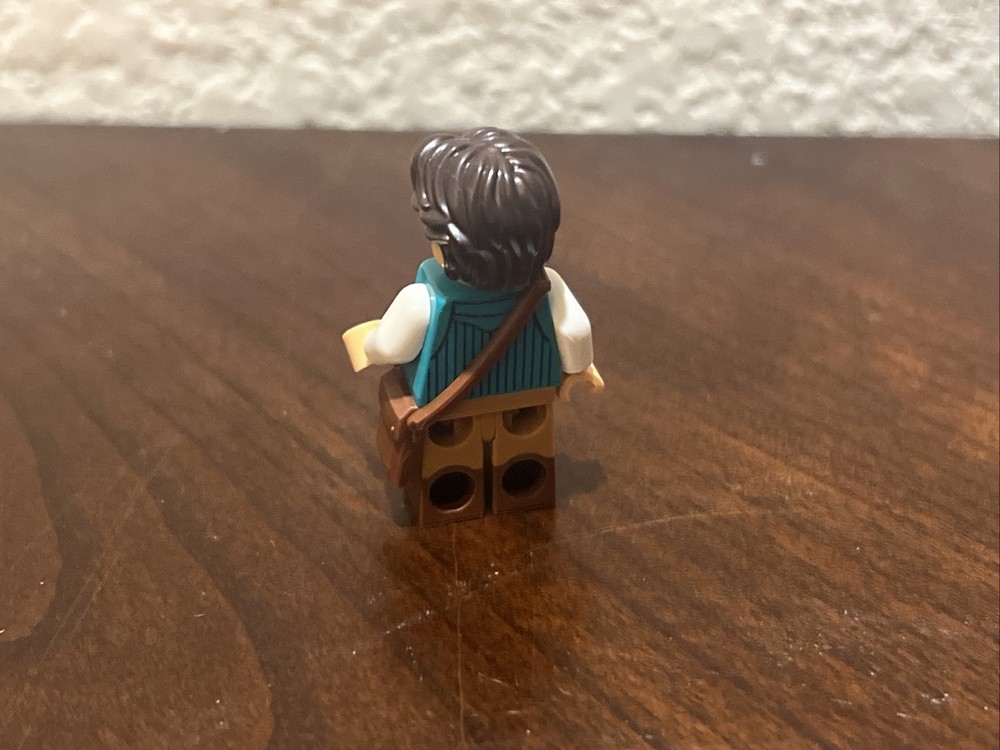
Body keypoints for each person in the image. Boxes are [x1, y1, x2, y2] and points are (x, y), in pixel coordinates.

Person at [344, 128, 602, 523]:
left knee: (449, 463)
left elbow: (390, 347)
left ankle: (451, 500)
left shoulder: (423, 300)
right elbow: (576, 332)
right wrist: (576, 370)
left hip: (448, 405)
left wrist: (369, 344)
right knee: (522, 454)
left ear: (448, 239)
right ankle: (521, 489)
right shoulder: (546, 286)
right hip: (527, 392)